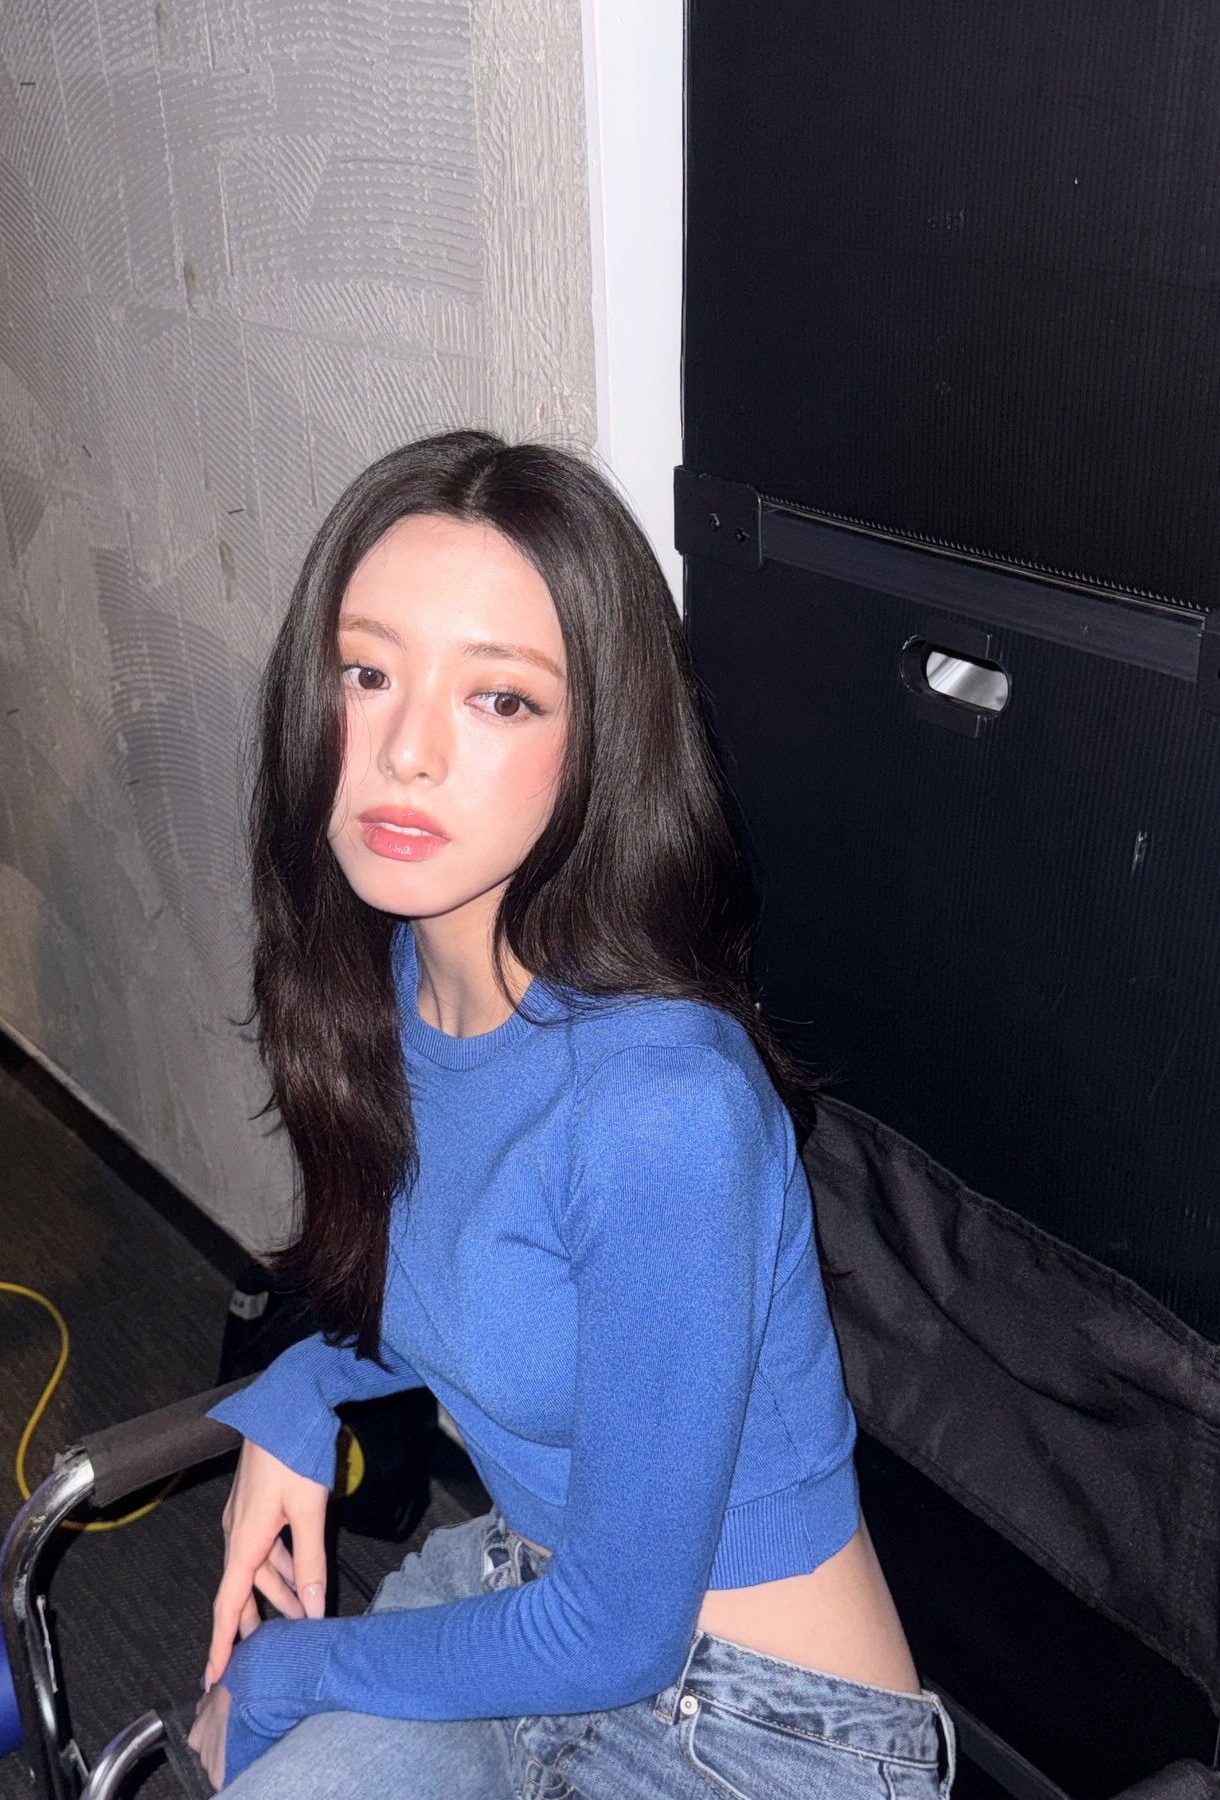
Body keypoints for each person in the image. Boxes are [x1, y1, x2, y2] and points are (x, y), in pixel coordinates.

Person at [187, 431, 956, 1798]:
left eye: (500, 699)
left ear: (598, 746)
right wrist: (309, 1384)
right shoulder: (390, 980)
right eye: (368, 673)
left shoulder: (663, 1105)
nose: (406, 750)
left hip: (761, 1731)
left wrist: (294, 1669)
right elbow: (484, 1298)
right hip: (525, 1595)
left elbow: (618, 1631)